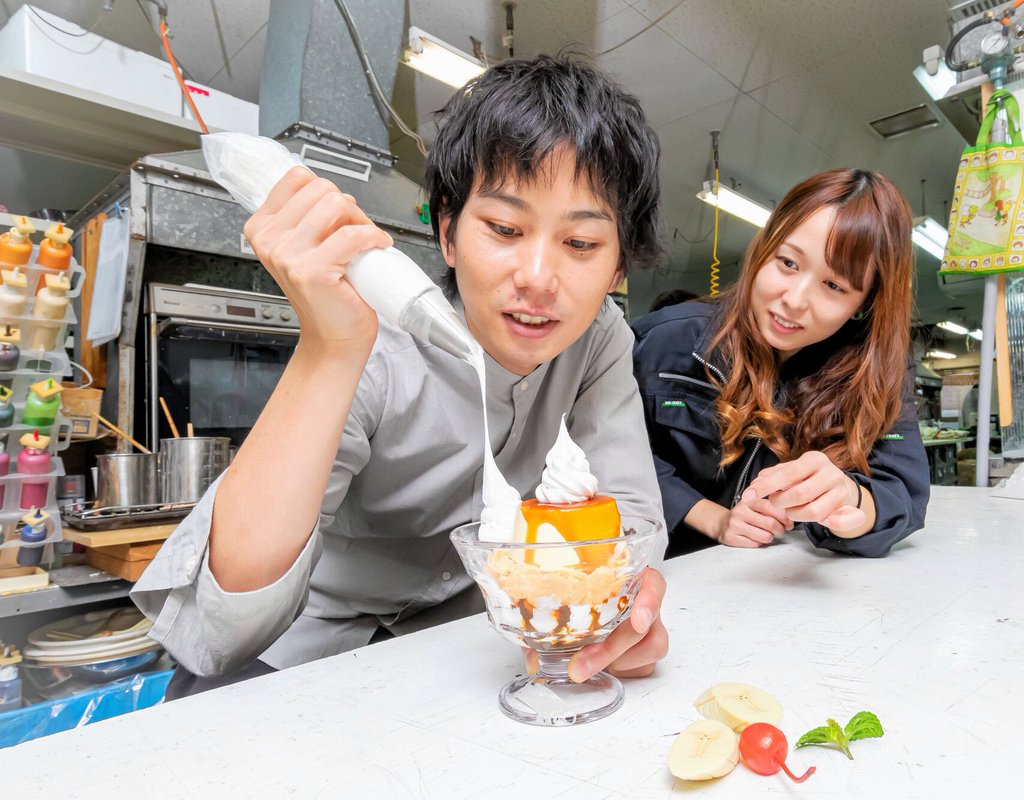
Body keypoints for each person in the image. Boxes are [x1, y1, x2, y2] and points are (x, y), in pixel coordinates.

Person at [133, 55, 669, 696]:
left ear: (618, 268)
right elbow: (225, 626)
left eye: (580, 244)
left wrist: (624, 598)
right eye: (504, 228)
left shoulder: (600, 336)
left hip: (467, 649)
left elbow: (628, 515)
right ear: (448, 233)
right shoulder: (375, 339)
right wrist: (330, 348)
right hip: (297, 646)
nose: (537, 278)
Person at [631, 169, 929, 558]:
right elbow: (605, 451)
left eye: (834, 286)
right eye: (788, 263)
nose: (795, 300)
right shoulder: (663, 340)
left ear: (865, 304)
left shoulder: (876, 372)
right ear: (764, 249)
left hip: (777, 581)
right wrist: (714, 519)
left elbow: (903, 492)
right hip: (657, 568)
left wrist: (851, 500)